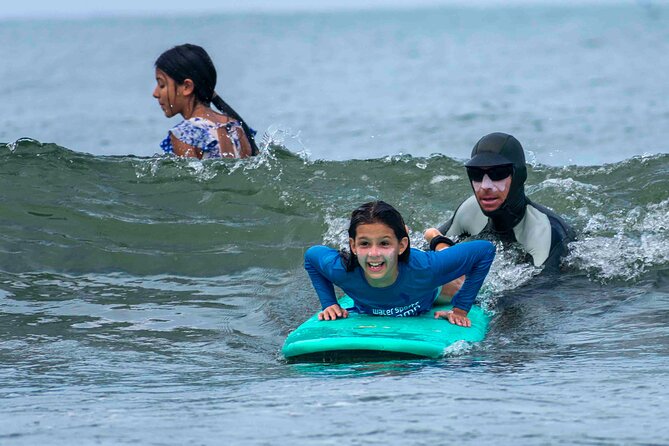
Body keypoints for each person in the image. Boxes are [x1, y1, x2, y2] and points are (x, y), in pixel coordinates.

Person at [424, 132, 574, 296]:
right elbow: (428, 252)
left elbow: (536, 294)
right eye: (477, 174)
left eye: (498, 174)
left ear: (519, 176)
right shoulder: (470, 209)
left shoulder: (544, 232)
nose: (485, 186)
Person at [304, 201, 496, 327]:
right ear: (352, 246)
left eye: (384, 243)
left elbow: (484, 250)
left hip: (426, 286)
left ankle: (437, 239)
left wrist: (461, 309)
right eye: (364, 244)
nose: (373, 253)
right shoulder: (342, 270)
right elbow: (311, 256)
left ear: (402, 244)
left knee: (457, 281)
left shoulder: (426, 270)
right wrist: (329, 303)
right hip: (407, 265)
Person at [153, 43, 259, 159]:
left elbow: (187, 177)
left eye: (162, 85)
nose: (155, 93)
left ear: (187, 87)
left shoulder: (185, 134)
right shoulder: (236, 126)